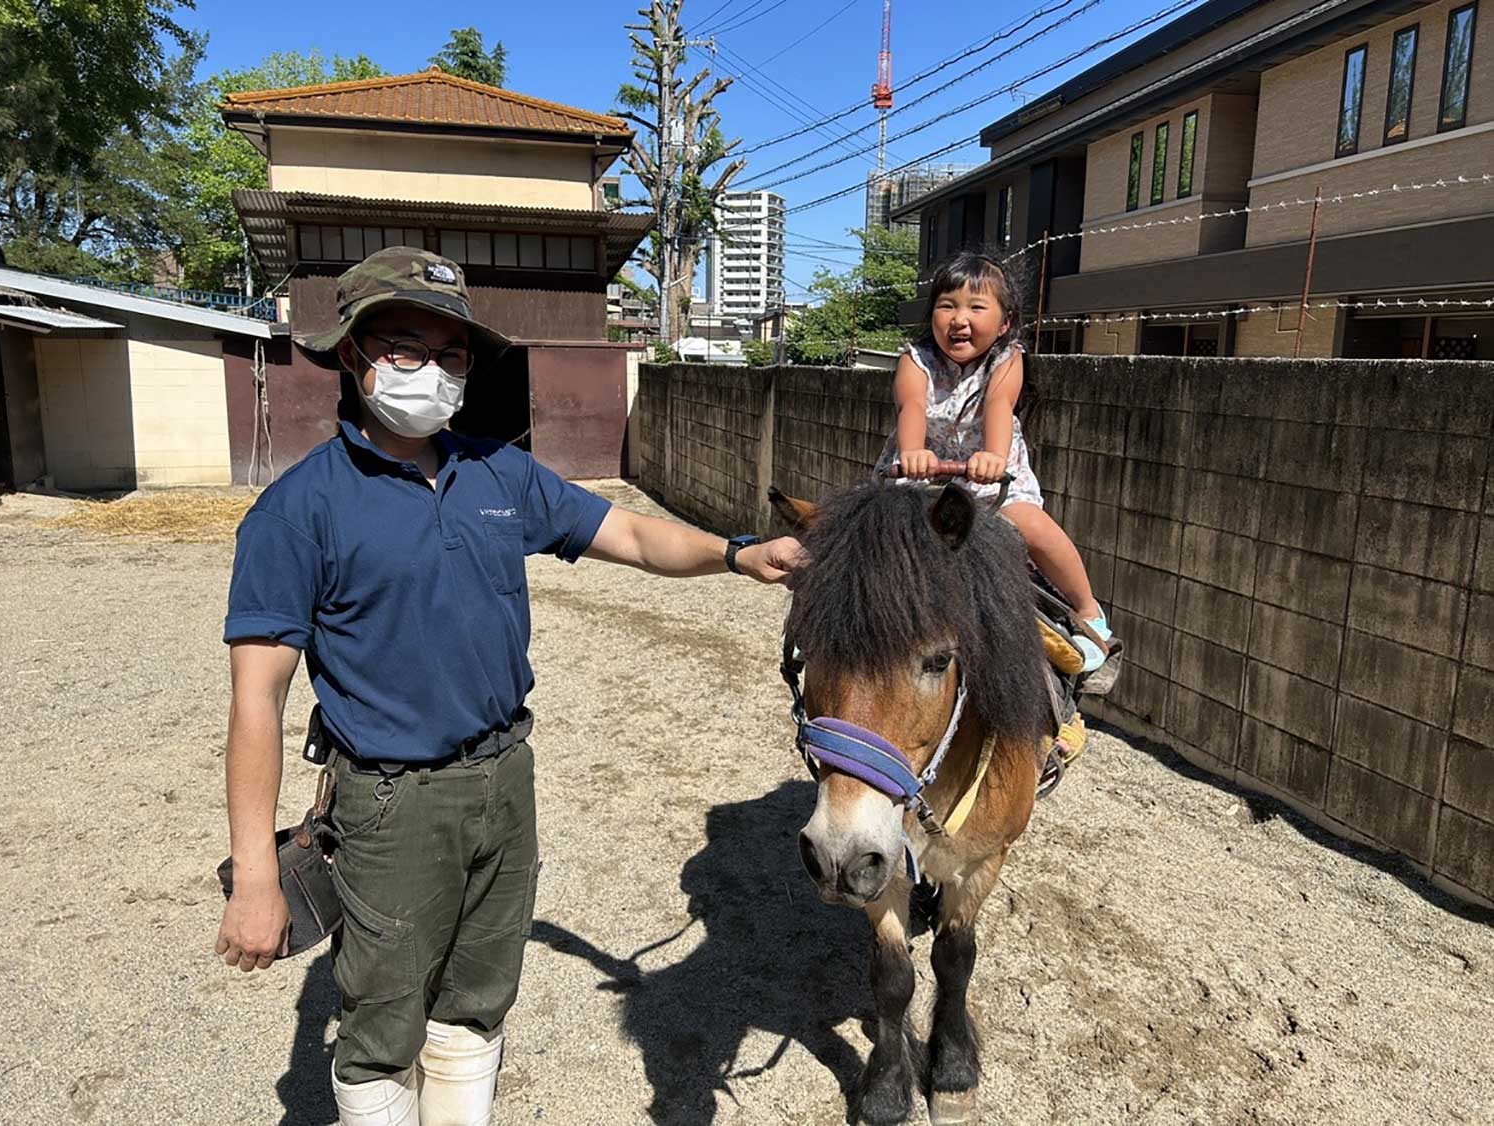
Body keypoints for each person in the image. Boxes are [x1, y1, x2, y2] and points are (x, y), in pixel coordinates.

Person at [214, 247, 802, 1126]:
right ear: (351, 353)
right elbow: (256, 700)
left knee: (478, 999)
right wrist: (256, 875)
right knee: (381, 1018)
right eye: (406, 347)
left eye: (452, 355)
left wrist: (734, 554)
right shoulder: (300, 509)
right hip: (388, 801)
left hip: (505, 778)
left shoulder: (498, 472)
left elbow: (633, 538)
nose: (435, 372)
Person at [877, 250, 1111, 670]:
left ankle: (1088, 609)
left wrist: (992, 458)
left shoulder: (1006, 359)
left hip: (991, 475)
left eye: (976, 307)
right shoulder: (916, 359)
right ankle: (842, 619)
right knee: (873, 528)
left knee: (1032, 525)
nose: (958, 318)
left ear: (1004, 322)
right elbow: (910, 406)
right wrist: (913, 452)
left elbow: (999, 405)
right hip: (921, 475)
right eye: (946, 305)